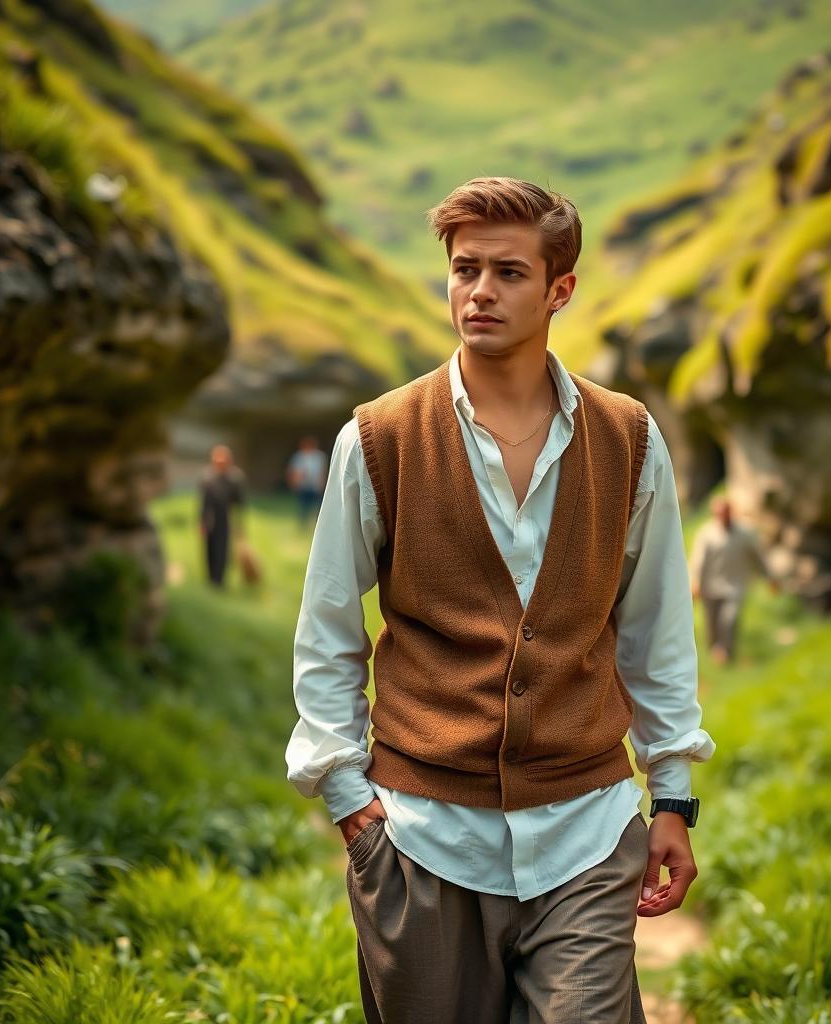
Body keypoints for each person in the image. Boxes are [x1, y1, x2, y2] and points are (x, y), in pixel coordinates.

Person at [285, 177, 716, 1023]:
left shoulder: (629, 438)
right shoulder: (378, 437)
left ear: (561, 289)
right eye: (464, 269)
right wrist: (350, 804)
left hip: (588, 833)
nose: (479, 292)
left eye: (509, 273)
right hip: (419, 840)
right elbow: (328, 630)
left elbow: (655, 629)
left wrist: (671, 795)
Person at [689, 494, 778, 665]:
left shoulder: (745, 533)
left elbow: (758, 557)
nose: (724, 516)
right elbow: (698, 562)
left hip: (735, 586)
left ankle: (726, 653)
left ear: (732, 512)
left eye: (727, 512)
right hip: (711, 586)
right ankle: (716, 651)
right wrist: (695, 583)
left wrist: (770, 578)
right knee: (712, 623)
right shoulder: (706, 534)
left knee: (729, 619)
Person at [198, 443, 247, 587]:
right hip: (210, 517)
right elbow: (203, 502)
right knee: (209, 549)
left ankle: (219, 580)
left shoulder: (235, 479)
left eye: (223, 462)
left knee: (222, 550)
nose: (220, 465)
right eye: (217, 462)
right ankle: (210, 578)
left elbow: (240, 504)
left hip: (226, 517)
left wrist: (239, 525)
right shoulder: (207, 477)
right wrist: (201, 521)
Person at [286, 435, 328, 527]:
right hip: (303, 485)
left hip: (315, 486)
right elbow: (292, 471)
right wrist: (294, 482)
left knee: (318, 507)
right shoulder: (298, 457)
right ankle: (302, 524)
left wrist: (322, 483)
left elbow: (322, 471)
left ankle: (318, 525)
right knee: (303, 507)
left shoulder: (319, 457)